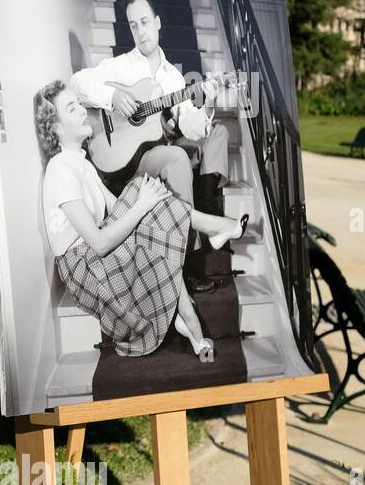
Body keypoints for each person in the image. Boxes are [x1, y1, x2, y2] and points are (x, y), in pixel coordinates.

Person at [34, 80, 247, 362]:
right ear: (57, 128)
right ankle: (214, 230)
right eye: (72, 108)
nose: (84, 112)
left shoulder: (81, 164)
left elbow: (119, 208)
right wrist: (142, 203)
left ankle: (189, 319)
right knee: (139, 197)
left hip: (97, 255)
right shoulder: (60, 169)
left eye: (79, 104)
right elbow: (98, 244)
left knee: (139, 194)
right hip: (87, 270)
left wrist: (145, 203)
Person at [68, 0, 230, 220]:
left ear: (157, 22)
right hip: (130, 157)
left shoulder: (173, 76)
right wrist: (112, 96)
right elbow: (76, 83)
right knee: (176, 156)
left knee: (218, 130)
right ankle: (192, 237)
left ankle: (205, 205)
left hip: (163, 144)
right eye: (134, 26)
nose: (141, 31)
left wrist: (207, 103)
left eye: (144, 22)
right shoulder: (121, 66)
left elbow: (190, 127)